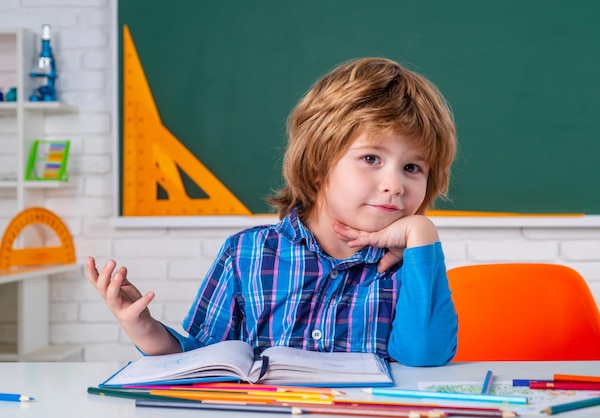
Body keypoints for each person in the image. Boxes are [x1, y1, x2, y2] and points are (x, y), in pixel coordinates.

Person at [87, 57, 458, 366]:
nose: (395, 184)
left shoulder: (412, 264)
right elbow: (206, 358)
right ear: (318, 165)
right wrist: (146, 330)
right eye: (371, 158)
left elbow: (424, 358)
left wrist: (422, 233)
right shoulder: (246, 254)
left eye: (413, 168)